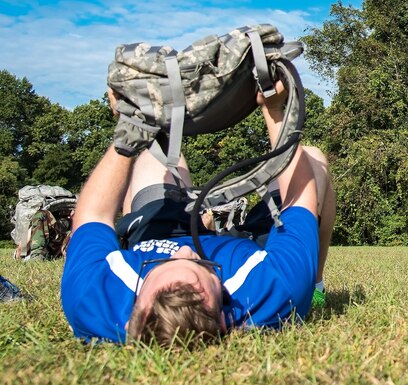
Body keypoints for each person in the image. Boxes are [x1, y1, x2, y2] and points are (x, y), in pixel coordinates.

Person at [60, 82, 337, 346]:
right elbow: (299, 201)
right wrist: (275, 111)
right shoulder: (274, 293)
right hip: (249, 251)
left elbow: (93, 216)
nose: (185, 253)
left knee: (154, 159)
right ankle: (316, 286)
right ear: (224, 320)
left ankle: (161, 253)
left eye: (159, 268)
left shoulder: (92, 302)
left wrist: (128, 130)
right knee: (313, 160)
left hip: (162, 237)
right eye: (204, 269)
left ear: (133, 310)